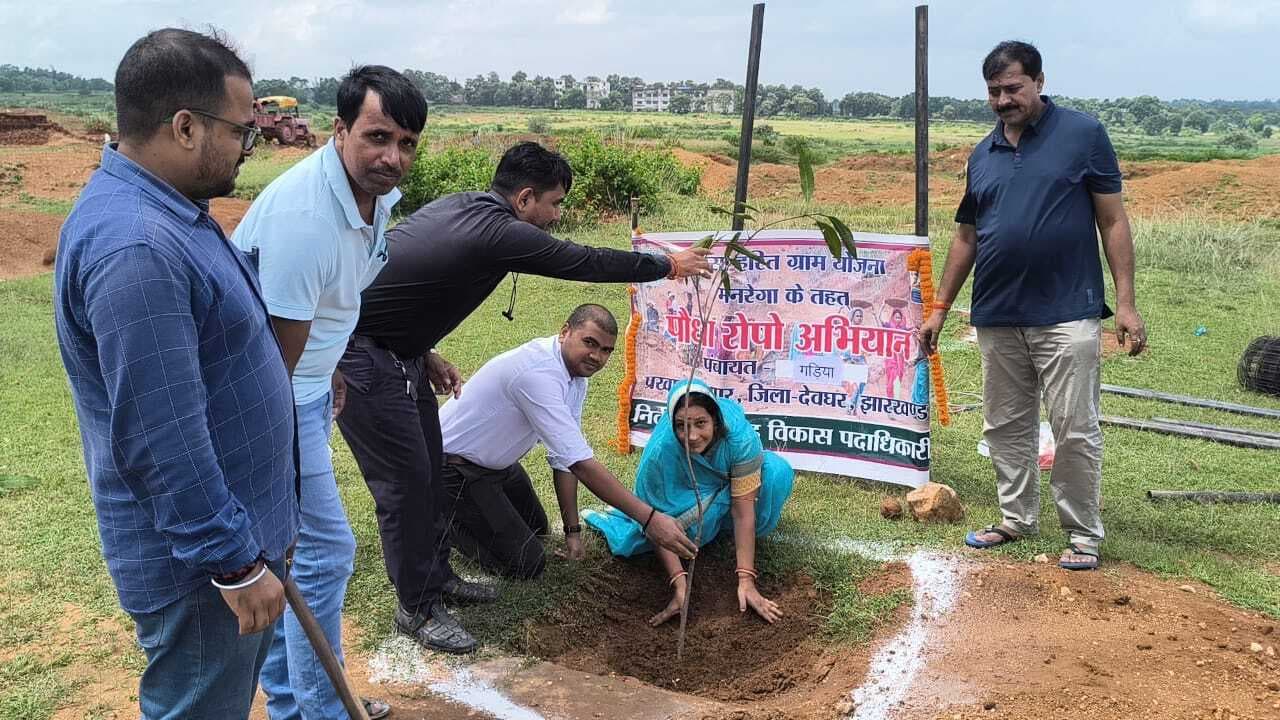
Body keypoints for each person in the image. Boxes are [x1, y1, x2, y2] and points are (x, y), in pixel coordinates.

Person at [336, 142, 712, 654]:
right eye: (554, 204)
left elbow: (405, 286)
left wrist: (423, 350)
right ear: (525, 198)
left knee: (425, 475)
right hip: (362, 356)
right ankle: (417, 608)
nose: (556, 217)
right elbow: (583, 260)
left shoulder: (462, 208)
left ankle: (438, 578)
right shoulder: (499, 231)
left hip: (399, 352)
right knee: (404, 488)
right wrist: (666, 266)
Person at [53, 28, 298, 719]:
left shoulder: (174, 211)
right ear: (186, 127)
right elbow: (161, 436)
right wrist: (235, 563)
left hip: (234, 539)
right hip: (202, 571)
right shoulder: (137, 246)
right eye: (240, 131)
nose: (247, 148)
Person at [230, 65, 424, 719]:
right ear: (340, 130)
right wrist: (271, 449)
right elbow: (269, 363)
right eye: (377, 136)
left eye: (406, 143)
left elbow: (329, 300)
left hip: (307, 384)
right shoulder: (308, 217)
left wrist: (331, 360)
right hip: (273, 400)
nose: (392, 156)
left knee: (293, 555)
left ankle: (295, 702)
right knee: (325, 552)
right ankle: (323, 710)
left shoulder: (372, 198)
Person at [917, 41, 1146, 572]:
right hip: (997, 312)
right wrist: (940, 307)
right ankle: (1015, 518)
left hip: (1067, 310)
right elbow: (967, 237)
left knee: (1074, 426)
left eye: (1013, 88)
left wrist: (1127, 303)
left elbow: (1112, 220)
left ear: (1039, 82)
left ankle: (1082, 534)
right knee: (1004, 424)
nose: (1003, 100)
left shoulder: (1083, 135)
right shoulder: (983, 154)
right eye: (994, 91)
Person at [434, 305, 699, 583]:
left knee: (538, 530)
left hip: (495, 467)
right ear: (565, 332)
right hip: (451, 468)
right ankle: (435, 520)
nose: (596, 356)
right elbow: (581, 464)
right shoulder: (537, 374)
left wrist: (573, 532)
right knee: (526, 564)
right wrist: (650, 519)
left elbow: (565, 459)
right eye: (589, 343)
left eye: (606, 350)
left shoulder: (574, 376)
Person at [586, 380, 794, 626]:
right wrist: (679, 583)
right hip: (685, 499)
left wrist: (746, 581)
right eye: (681, 426)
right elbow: (657, 523)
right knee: (684, 532)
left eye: (701, 423)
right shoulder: (660, 456)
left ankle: (725, 531)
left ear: (715, 420)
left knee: (775, 473)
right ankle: (709, 527)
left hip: (729, 490)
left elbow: (743, 510)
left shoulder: (739, 439)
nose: (692, 436)